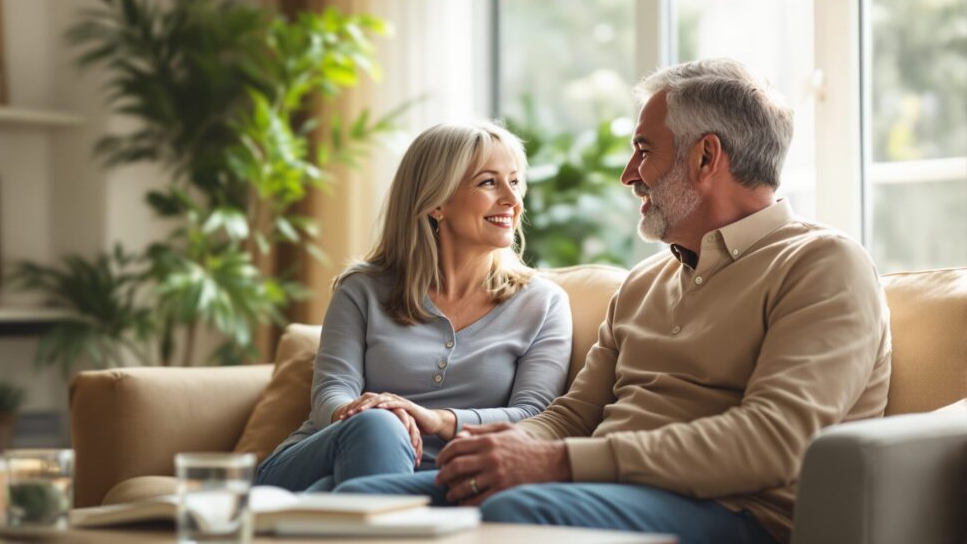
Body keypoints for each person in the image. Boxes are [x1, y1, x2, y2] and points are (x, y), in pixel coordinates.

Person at [334, 58, 892, 544]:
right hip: (601, 490)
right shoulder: (646, 282)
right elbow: (573, 416)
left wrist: (557, 464)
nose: (629, 175)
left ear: (706, 158)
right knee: (362, 504)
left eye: (643, 152)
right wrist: (490, 446)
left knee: (513, 510)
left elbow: (774, 441)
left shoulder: (822, 265)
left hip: (736, 516)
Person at [254, 121, 572, 493]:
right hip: (318, 454)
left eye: (515, 182)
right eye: (489, 182)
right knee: (377, 429)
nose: (512, 200)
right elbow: (331, 394)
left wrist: (437, 420)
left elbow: (535, 415)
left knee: (331, 492)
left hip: (444, 480)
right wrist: (374, 415)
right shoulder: (363, 289)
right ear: (436, 202)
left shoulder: (542, 303)